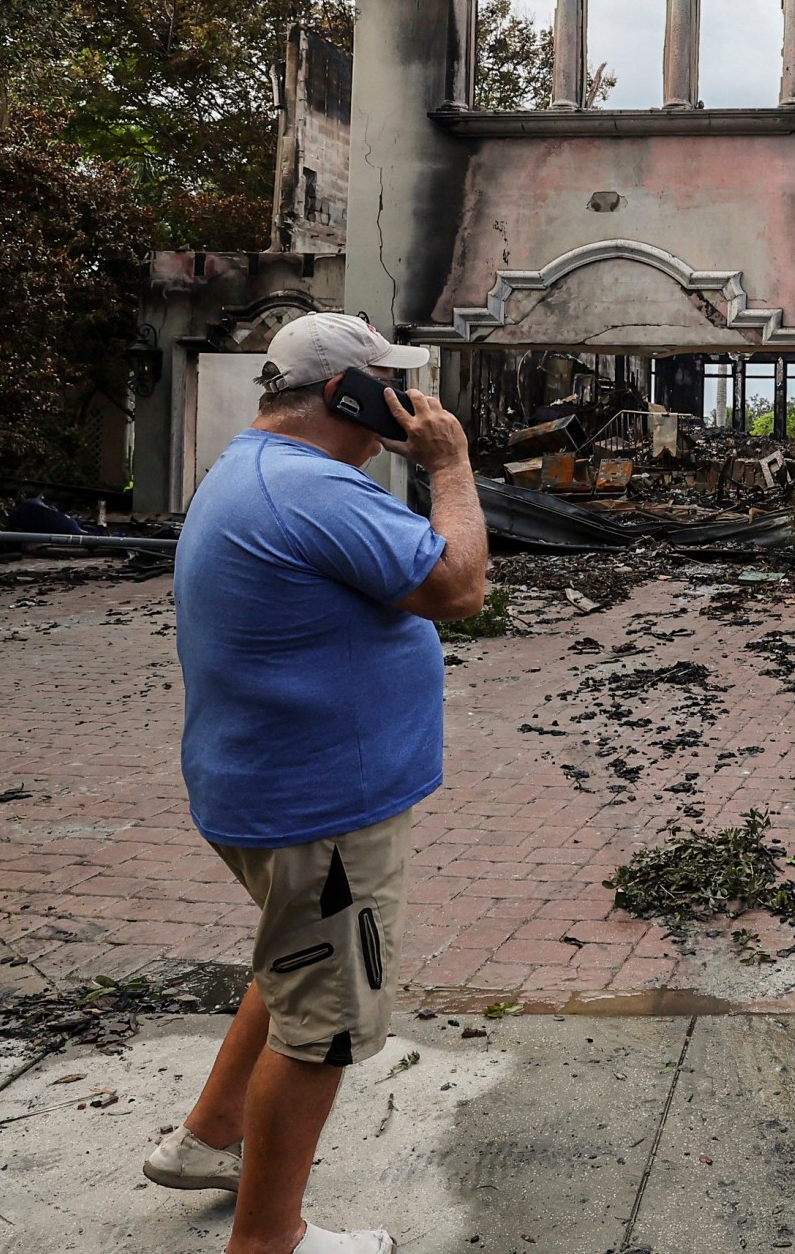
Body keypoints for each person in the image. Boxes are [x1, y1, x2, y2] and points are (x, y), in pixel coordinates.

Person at [141, 312, 486, 1254]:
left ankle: (211, 1138)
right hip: (321, 813)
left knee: (295, 963)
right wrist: (448, 469)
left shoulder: (252, 469)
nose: (413, 400)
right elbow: (458, 587)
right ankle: (270, 1241)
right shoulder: (313, 491)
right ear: (350, 395)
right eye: (393, 383)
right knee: (323, 1028)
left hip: (270, 792)